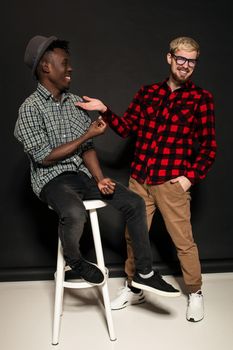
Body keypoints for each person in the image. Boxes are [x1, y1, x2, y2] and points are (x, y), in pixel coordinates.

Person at [14, 35, 181, 298]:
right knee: (74, 211)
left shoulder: (75, 102)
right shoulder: (29, 109)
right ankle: (74, 260)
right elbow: (44, 156)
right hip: (51, 180)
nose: (70, 68)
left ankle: (145, 273)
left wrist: (100, 178)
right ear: (46, 67)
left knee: (134, 202)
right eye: (64, 63)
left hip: (81, 177)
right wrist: (87, 136)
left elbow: (86, 149)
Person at [76, 36, 217, 321]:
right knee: (133, 236)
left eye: (191, 61)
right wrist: (105, 110)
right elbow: (127, 128)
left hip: (171, 184)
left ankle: (196, 292)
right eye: (181, 58)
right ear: (169, 58)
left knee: (183, 242)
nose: (186, 65)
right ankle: (135, 286)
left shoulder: (201, 99)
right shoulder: (147, 93)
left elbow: (209, 146)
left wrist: (191, 177)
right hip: (140, 179)